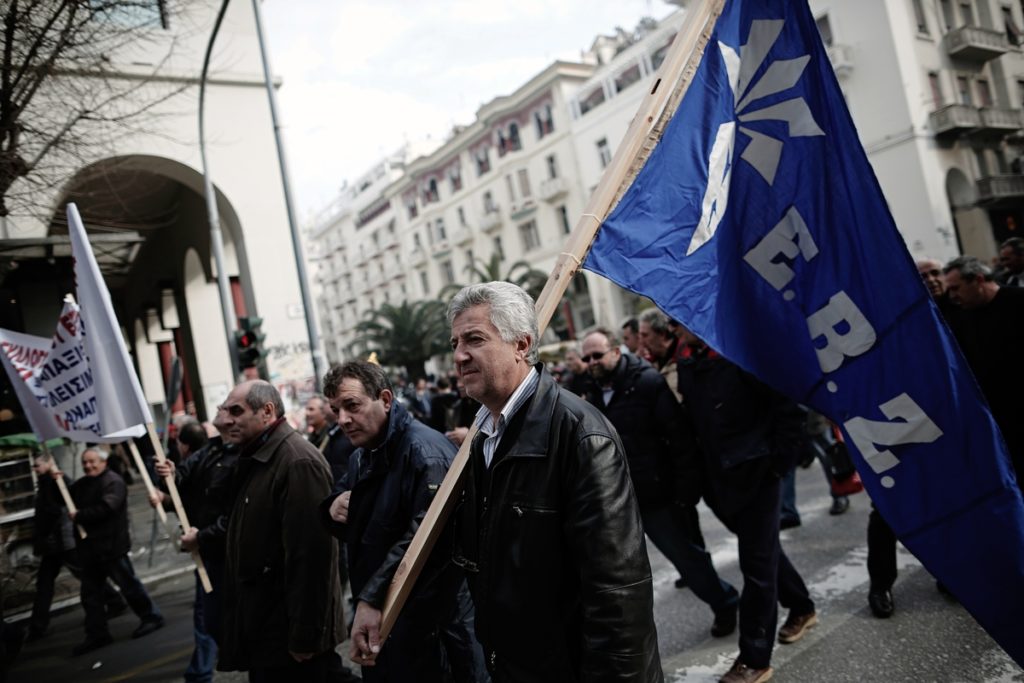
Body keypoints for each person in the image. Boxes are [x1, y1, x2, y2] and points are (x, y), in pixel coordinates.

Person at [447, 281, 661, 682]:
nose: (459, 355)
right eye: (455, 342)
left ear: (521, 345)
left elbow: (617, 592)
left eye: (474, 339)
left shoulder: (581, 434)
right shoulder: (483, 437)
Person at [321, 361, 483, 682]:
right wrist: (332, 506)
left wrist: (370, 598)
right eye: (335, 410)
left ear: (384, 399)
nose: (342, 420)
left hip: (434, 629)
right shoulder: (362, 454)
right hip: (391, 621)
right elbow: (348, 515)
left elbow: (425, 539)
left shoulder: (425, 452)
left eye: (351, 406)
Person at [676, 326, 816, 683]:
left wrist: (776, 467)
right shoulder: (689, 361)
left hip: (759, 475)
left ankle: (755, 658)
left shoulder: (742, 351)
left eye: (678, 320)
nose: (675, 327)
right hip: (722, 482)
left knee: (756, 567)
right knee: (764, 552)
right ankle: (802, 606)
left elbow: (789, 409)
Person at [581, 327, 739, 637]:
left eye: (597, 355)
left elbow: (678, 438)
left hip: (658, 493)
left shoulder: (647, 383)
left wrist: (685, 490)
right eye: (587, 358)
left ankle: (724, 601)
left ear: (616, 351)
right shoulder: (594, 392)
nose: (592, 362)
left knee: (687, 558)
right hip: (618, 497)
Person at [217, 380, 342, 682]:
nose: (225, 419)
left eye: (236, 410)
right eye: (225, 410)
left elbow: (311, 558)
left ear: (267, 411)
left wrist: (306, 635)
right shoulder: (257, 456)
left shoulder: (297, 462)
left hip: (288, 635)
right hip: (266, 627)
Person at [150, 418, 237, 682]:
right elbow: (183, 485)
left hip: (221, 549)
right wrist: (169, 476)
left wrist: (201, 537)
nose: (222, 414)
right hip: (208, 549)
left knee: (209, 616)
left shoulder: (237, 459)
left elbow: (227, 513)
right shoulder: (210, 451)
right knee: (210, 615)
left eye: (232, 410)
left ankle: (202, 672)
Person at [66, 448, 164, 656]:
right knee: (91, 595)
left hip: (111, 547)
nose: (88, 466)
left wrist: (80, 516)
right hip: (91, 550)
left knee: (128, 585)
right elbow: (66, 493)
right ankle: (97, 634)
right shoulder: (84, 484)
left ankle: (151, 617)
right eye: (85, 462)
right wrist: (53, 477)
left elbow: (107, 508)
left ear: (104, 462)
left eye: (92, 461)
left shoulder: (113, 481)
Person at [27, 451, 125, 642]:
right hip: (52, 544)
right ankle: (37, 627)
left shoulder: (59, 482)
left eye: (38, 465)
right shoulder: (46, 483)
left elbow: (67, 504)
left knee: (89, 577)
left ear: (49, 464)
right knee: (46, 584)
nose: (35, 469)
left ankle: (114, 602)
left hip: (64, 542)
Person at [944, 256, 1024, 479]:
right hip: (996, 419)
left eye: (956, 288)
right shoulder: (960, 316)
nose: (953, 296)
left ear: (978, 280)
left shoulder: (1018, 302)